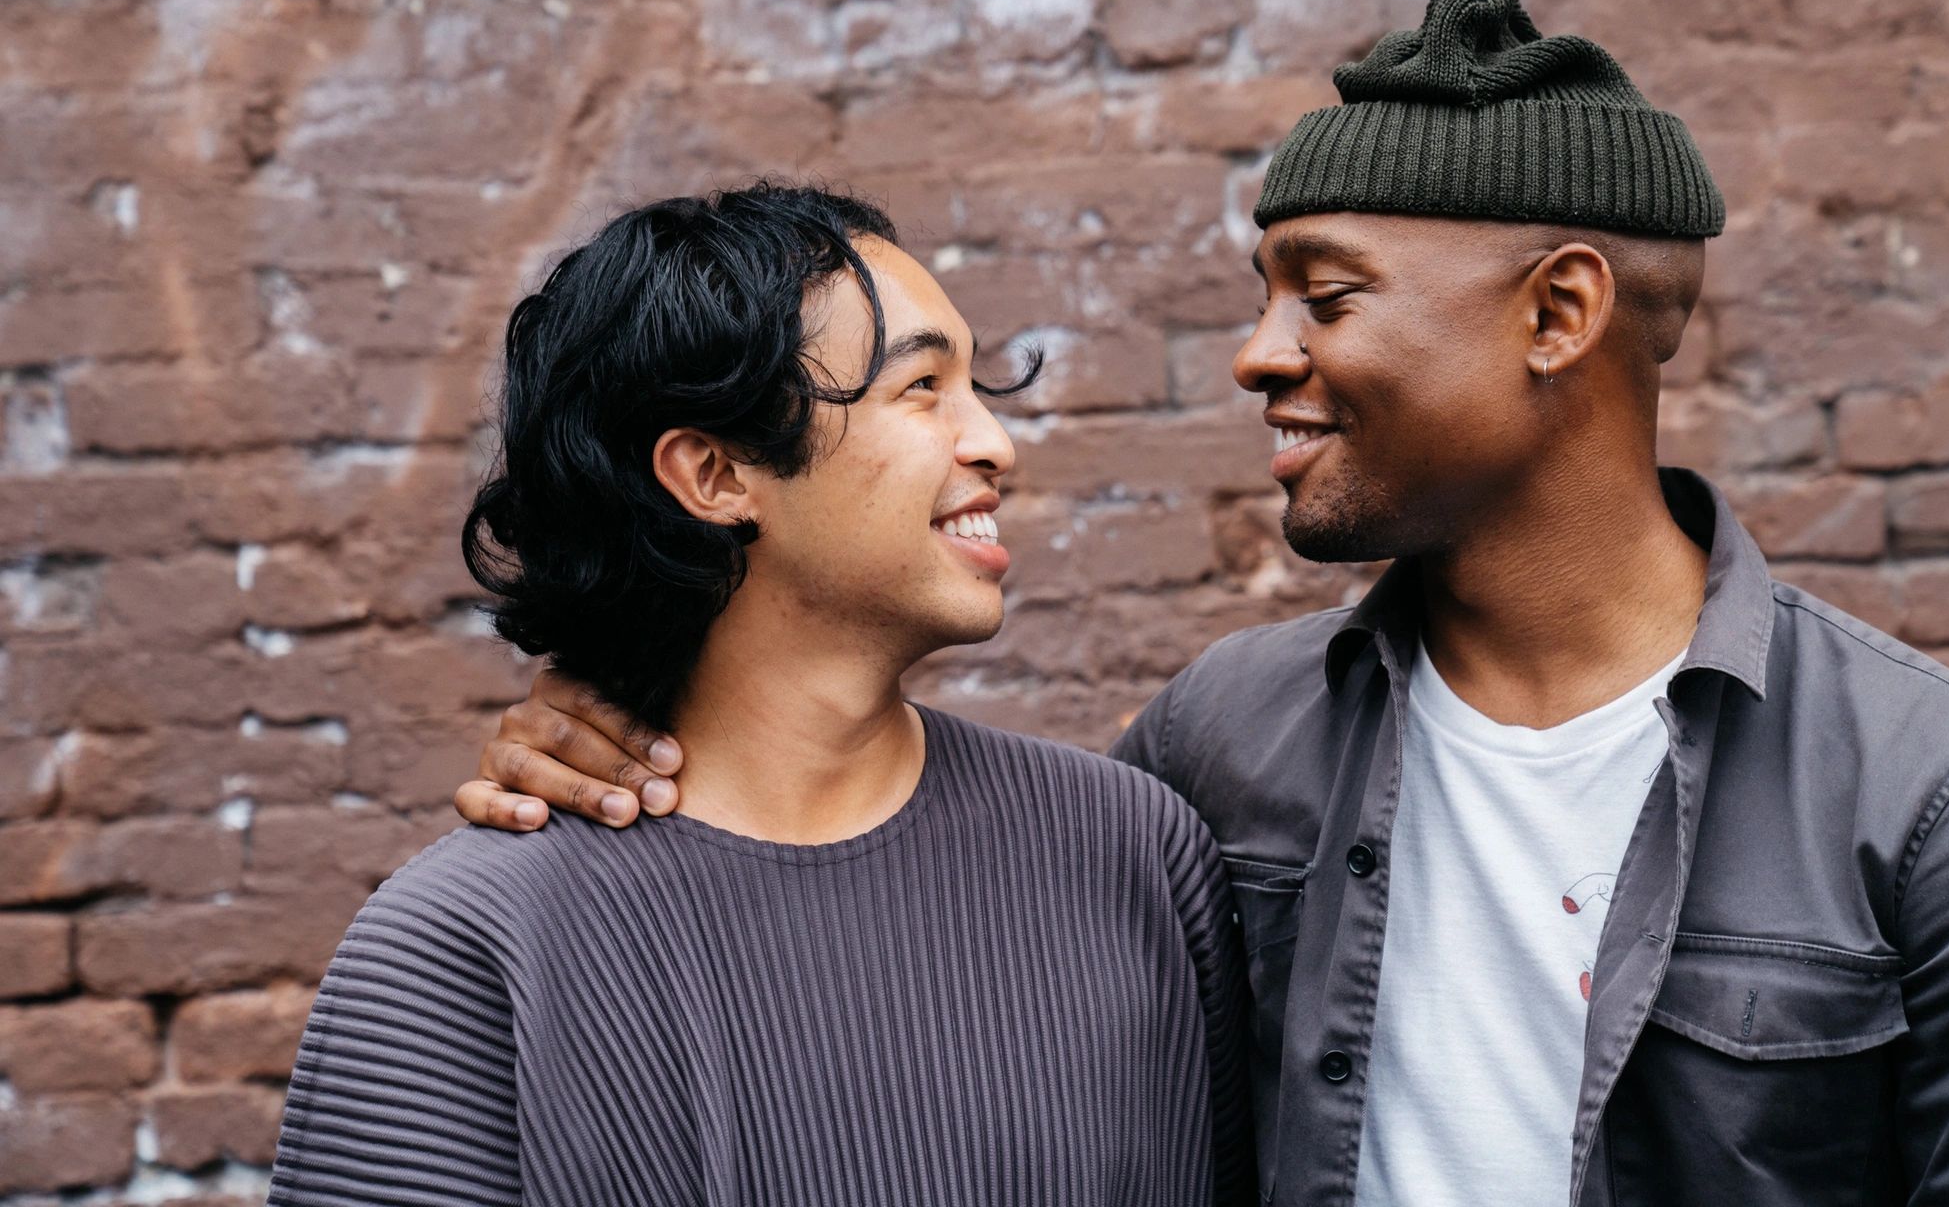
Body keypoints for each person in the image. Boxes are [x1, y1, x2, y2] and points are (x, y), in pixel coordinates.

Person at [453, 0, 1949, 1205]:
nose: (1262, 356)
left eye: (1324, 295)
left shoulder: (1947, 809)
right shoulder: (1220, 751)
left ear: (1558, 317)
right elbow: (916, 908)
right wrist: (624, 701)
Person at [266, 185, 1254, 1206]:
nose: (995, 443)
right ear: (715, 474)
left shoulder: (1133, 854)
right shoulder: (461, 953)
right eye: (920, 387)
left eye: (978, 385)